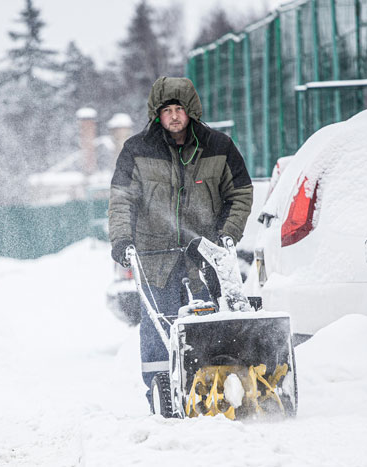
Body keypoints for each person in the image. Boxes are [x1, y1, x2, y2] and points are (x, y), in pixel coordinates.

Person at [108, 76, 253, 410]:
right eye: (167, 110)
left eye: (179, 109)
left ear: (191, 112)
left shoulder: (219, 146)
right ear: (156, 115)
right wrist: (122, 240)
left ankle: (212, 394)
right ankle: (162, 401)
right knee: (158, 330)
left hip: (202, 257)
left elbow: (240, 193)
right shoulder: (137, 150)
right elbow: (121, 200)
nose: (173, 116)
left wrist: (227, 235)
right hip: (154, 259)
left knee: (209, 326)